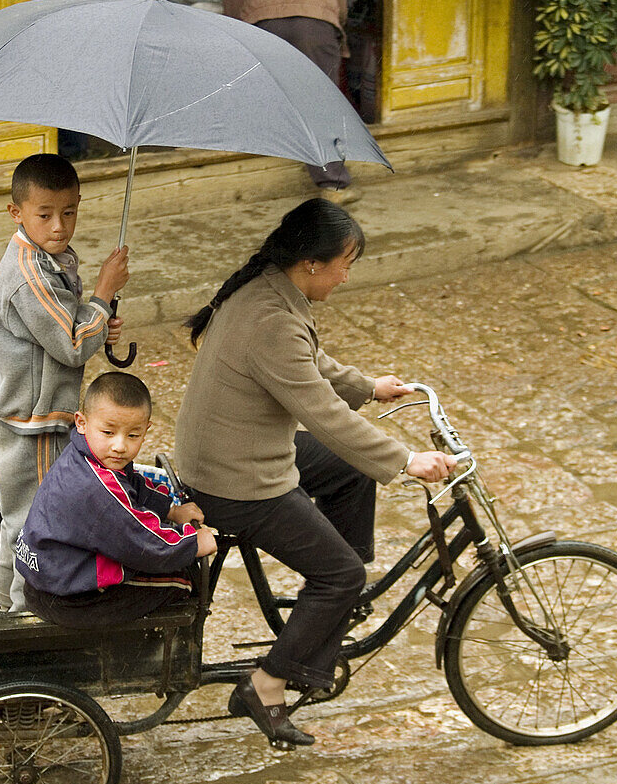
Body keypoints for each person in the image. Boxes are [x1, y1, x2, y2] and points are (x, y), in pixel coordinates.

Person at [174, 198, 456, 748]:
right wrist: (405, 460)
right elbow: (321, 413)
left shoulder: (269, 290)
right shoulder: (271, 318)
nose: (346, 276)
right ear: (310, 263)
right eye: (344, 263)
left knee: (352, 475)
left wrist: (369, 386)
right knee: (343, 574)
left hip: (234, 449)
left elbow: (310, 366)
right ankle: (267, 682)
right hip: (235, 477)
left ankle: (329, 605)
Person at [0, 153, 130, 613]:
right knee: (32, 518)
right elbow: (72, 345)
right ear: (16, 213)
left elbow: (69, 321)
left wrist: (98, 319)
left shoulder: (48, 256)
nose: (59, 226)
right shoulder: (28, 271)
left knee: (24, 515)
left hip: (36, 409)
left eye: (69, 213)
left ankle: (5, 599)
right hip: (32, 419)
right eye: (44, 215)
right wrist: (103, 292)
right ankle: (19, 611)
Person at [16, 372, 218, 628]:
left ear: (146, 429)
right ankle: (151, 657)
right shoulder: (98, 489)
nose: (120, 446)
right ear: (81, 422)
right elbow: (145, 543)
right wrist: (192, 542)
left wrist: (171, 510)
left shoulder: (86, 455)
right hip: (72, 600)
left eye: (133, 435)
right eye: (108, 432)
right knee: (184, 582)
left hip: (51, 578)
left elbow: (133, 486)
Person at [223, 0, 361, 204]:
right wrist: (335, 19)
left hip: (265, 20)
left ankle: (263, 149)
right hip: (315, 20)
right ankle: (332, 183)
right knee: (320, 101)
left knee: (266, 90)